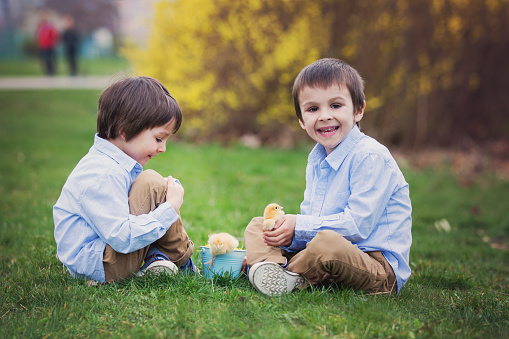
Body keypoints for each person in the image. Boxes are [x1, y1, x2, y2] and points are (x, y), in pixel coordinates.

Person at [244, 58, 412, 296]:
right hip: (329, 256)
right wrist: (287, 232)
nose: (324, 116)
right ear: (302, 120)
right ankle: (272, 269)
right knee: (258, 226)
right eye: (313, 109)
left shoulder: (371, 157)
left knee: (326, 243)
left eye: (335, 105)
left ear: (358, 110)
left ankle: (272, 269)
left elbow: (357, 226)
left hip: (377, 268)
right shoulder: (317, 159)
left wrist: (298, 225)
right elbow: (315, 221)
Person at [53, 76, 196, 284]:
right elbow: (122, 237)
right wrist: (169, 207)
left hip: (104, 257)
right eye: (158, 139)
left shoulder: (113, 164)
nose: (162, 148)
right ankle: (184, 263)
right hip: (103, 265)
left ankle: (155, 259)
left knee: (154, 185)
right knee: (152, 184)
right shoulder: (103, 174)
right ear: (126, 131)